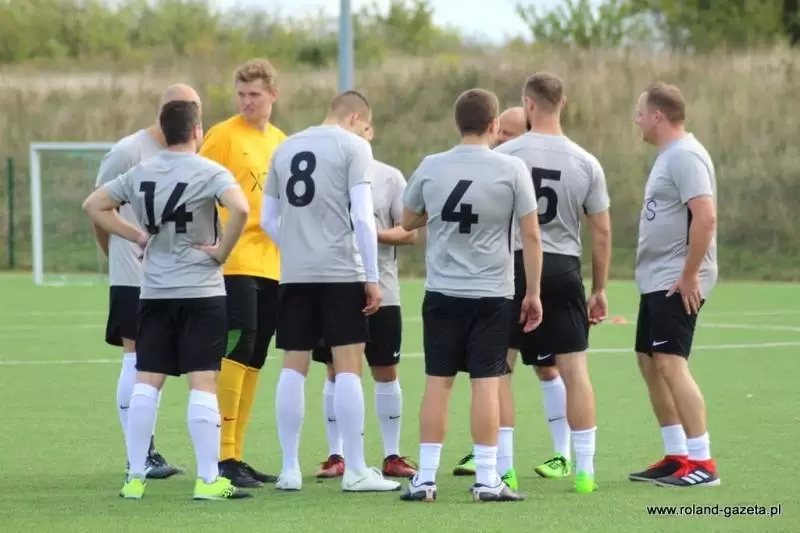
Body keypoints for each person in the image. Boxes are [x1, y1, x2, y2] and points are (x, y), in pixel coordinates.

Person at [83, 100, 252, 500]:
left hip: (155, 290)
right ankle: (208, 480)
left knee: (147, 380)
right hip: (201, 290)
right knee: (203, 381)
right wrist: (221, 252)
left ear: (163, 130)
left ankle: (135, 478)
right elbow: (241, 208)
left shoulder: (140, 172)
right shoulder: (209, 170)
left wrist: (137, 236)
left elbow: (93, 205)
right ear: (196, 131)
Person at [399, 88, 543, 503]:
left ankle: (425, 479)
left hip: (443, 291)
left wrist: (435, 214)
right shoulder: (511, 168)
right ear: (495, 125)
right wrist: (533, 292)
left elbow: (407, 220)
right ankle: (486, 479)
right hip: (492, 294)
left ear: (456, 123)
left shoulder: (431, 165)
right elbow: (531, 234)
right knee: (486, 384)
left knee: (438, 383)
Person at [260, 90, 402, 493]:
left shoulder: (285, 147)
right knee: (348, 367)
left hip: (295, 274)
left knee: (293, 367)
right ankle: (355, 470)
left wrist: (295, 248)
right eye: (364, 126)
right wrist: (371, 276)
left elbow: (268, 219)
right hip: (341, 271)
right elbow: (363, 216)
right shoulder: (353, 146)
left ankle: (289, 470)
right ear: (356, 118)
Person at [491, 73, 612, 495]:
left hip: (512, 265)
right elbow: (601, 232)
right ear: (564, 103)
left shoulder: (506, 154)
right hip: (563, 268)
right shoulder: (586, 161)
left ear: (528, 104)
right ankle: (585, 472)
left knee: (500, 369)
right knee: (575, 371)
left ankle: (504, 470)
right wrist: (599, 288)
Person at [452, 104, 575, 485]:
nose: (501, 138)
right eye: (500, 131)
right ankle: (490, 452)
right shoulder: (494, 167)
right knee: (494, 365)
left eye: (509, 133)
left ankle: (562, 454)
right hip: (501, 274)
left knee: (546, 366)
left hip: (535, 270)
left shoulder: (515, 167)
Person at [93, 84, 201, 480]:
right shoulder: (128, 152)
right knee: (136, 358)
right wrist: (119, 253)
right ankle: (137, 455)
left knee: (155, 362)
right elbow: (99, 207)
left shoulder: (188, 152)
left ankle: (146, 452)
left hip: (173, 274)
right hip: (134, 273)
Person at [198, 58, 286, 488]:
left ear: (273, 95)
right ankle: (222, 455)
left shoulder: (281, 142)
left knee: (256, 356)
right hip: (234, 262)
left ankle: (237, 452)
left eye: (255, 94)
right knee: (237, 348)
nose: (247, 102)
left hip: (273, 264)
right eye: (241, 94)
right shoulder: (222, 135)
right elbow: (196, 186)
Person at [312, 124, 418, 480]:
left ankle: (391, 455)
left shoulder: (388, 176)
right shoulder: (323, 175)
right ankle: (336, 455)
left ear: (370, 130)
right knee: (335, 370)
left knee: (385, 370)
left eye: (357, 128)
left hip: (383, 289)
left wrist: (372, 234)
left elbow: (410, 231)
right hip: (335, 288)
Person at [629, 82, 719, 488]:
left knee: (670, 362)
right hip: (657, 277)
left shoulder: (685, 155)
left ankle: (703, 463)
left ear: (658, 116)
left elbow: (706, 216)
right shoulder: (669, 155)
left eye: (640, 113)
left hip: (675, 278)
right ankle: (677, 454)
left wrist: (689, 274)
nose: (637, 121)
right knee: (649, 360)